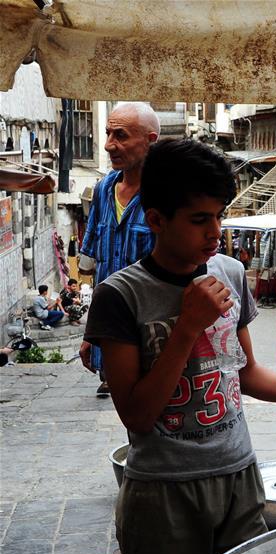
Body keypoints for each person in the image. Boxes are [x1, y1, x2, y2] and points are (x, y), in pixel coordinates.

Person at [83, 139, 276, 554]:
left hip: (240, 480)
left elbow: (243, 373)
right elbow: (137, 415)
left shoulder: (229, 273)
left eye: (219, 216)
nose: (215, 233)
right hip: (163, 493)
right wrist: (187, 327)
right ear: (156, 220)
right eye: (199, 219)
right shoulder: (119, 296)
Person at [79, 102, 159, 396]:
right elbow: (98, 269)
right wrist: (92, 333)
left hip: (153, 334)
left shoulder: (164, 195)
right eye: (108, 133)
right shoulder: (103, 189)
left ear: (150, 141)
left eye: (121, 136)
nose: (109, 145)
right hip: (112, 331)